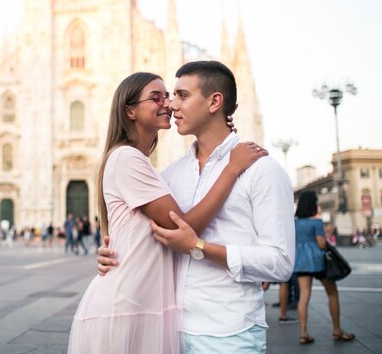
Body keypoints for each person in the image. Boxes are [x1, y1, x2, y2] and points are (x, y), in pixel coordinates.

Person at [97, 61, 295, 354]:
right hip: (168, 331)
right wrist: (112, 256)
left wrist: (201, 247)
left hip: (228, 332)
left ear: (215, 101)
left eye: (181, 95)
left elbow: (280, 262)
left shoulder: (261, 169)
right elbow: (155, 234)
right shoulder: (168, 175)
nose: (171, 105)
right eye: (167, 96)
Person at [294, 190, 355, 345]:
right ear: (313, 205)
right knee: (332, 294)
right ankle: (337, 330)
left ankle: (303, 333)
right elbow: (321, 244)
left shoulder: (294, 223)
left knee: (304, 297)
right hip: (318, 262)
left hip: (301, 262)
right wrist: (327, 233)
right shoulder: (316, 222)